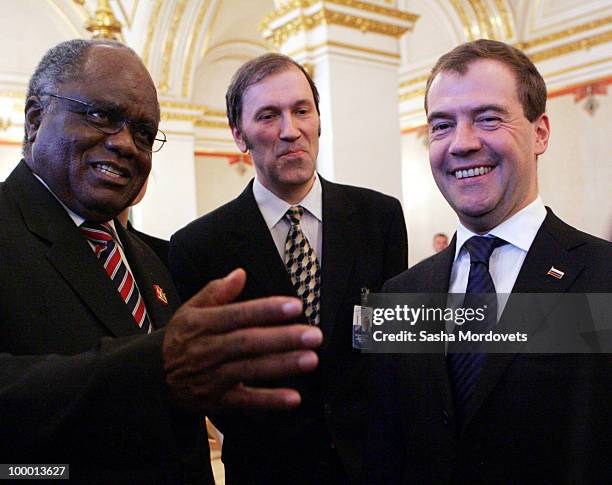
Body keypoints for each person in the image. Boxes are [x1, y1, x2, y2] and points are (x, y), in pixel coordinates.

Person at [0, 39, 324, 483]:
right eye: (103, 116)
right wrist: (154, 367)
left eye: (143, 133)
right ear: (36, 119)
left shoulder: (153, 259)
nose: (125, 145)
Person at [371, 39, 612, 483]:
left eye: (488, 119)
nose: (461, 144)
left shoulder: (603, 277)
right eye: (441, 126)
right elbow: (385, 445)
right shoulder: (399, 295)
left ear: (540, 132)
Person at [170, 53, 408, 484]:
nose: (289, 131)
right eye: (268, 116)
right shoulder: (198, 246)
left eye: (302, 111)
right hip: (268, 469)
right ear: (239, 135)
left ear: (319, 120)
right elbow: (210, 380)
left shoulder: (379, 217)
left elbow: (392, 347)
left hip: (372, 465)